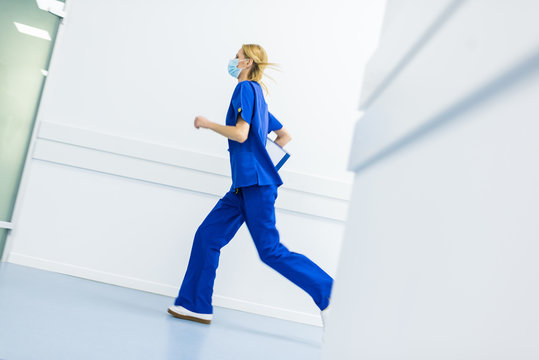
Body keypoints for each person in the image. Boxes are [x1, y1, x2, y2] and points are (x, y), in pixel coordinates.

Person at [167, 44, 333, 325]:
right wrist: (261, 163)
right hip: (243, 187)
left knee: (270, 250)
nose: (233, 61)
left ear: (246, 63)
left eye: (237, 57)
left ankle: (330, 294)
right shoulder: (259, 96)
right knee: (207, 236)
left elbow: (241, 134)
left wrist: (208, 124)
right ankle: (196, 305)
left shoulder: (246, 89)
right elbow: (284, 135)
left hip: (254, 186)